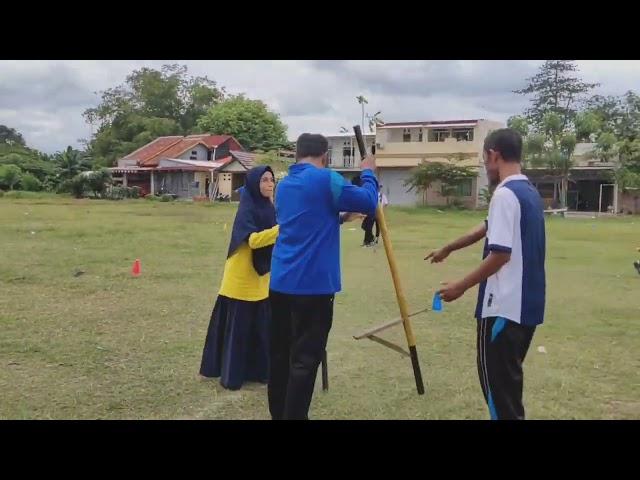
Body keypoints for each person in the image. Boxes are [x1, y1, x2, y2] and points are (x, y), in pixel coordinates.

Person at [425, 128, 546, 420]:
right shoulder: (527, 191)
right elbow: (487, 227)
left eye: (484, 159)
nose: (485, 166)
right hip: (526, 308)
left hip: (503, 308)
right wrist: (449, 248)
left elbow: (501, 254)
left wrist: (460, 286)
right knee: (508, 392)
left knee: (500, 399)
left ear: (494, 155)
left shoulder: (504, 194)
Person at [268, 133, 378, 420]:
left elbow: (306, 219)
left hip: (280, 283)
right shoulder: (325, 178)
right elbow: (368, 202)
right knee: (304, 360)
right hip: (312, 287)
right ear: (325, 155)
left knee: (280, 356)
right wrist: (368, 171)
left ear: (296, 154)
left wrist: (338, 218)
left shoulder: (284, 185)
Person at [199, 166, 279, 390]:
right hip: (242, 277)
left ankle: (258, 372)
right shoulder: (247, 208)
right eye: (264, 180)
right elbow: (252, 240)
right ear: (254, 183)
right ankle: (232, 374)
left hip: (261, 275)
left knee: (259, 328)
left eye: (271, 180)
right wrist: (281, 230)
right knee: (240, 329)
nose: (269, 184)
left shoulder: (269, 207)